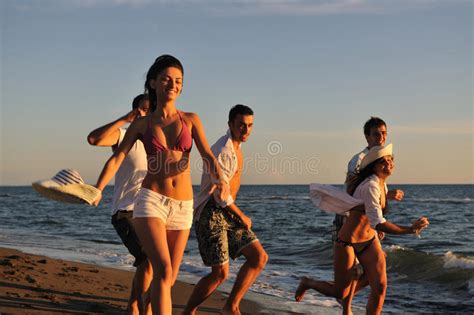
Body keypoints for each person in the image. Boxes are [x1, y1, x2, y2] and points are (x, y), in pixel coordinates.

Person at [92, 55, 229, 314]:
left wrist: (220, 181)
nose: (173, 84)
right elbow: (117, 157)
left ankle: (147, 306)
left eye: (178, 81)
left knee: (169, 277)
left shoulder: (190, 119)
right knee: (163, 271)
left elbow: (208, 156)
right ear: (153, 83)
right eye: (166, 79)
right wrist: (98, 189)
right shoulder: (143, 124)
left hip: (183, 205)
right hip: (151, 201)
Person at [296, 144, 429, 315]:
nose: (388, 164)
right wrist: (410, 229)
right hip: (348, 242)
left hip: (369, 241)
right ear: (374, 166)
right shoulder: (371, 185)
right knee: (340, 292)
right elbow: (378, 222)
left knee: (380, 287)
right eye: (383, 162)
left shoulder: (382, 184)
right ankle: (308, 282)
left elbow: (373, 216)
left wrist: (378, 226)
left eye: (390, 160)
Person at [184, 105, 268, 315]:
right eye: (241, 125)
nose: (246, 130)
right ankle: (189, 312)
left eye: (250, 126)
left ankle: (230, 306)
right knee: (220, 273)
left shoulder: (236, 148)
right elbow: (220, 195)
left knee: (259, 257)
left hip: (225, 213)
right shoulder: (224, 151)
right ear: (230, 124)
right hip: (210, 213)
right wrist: (242, 216)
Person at [87, 94, 152, 315]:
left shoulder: (156, 143)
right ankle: (141, 308)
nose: (145, 114)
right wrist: (124, 119)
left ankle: (133, 305)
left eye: (149, 110)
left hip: (150, 213)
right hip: (125, 212)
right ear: (134, 112)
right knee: (147, 260)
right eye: (141, 110)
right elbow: (94, 139)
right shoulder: (124, 136)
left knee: (150, 263)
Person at [331, 117, 404, 311]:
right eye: (376, 133)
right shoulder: (359, 160)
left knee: (377, 269)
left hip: (368, 222)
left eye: (384, 133)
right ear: (367, 137)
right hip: (350, 220)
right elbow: (353, 193)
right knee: (355, 270)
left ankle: (346, 298)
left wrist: (380, 215)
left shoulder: (382, 160)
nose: (381, 137)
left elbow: (375, 199)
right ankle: (346, 306)